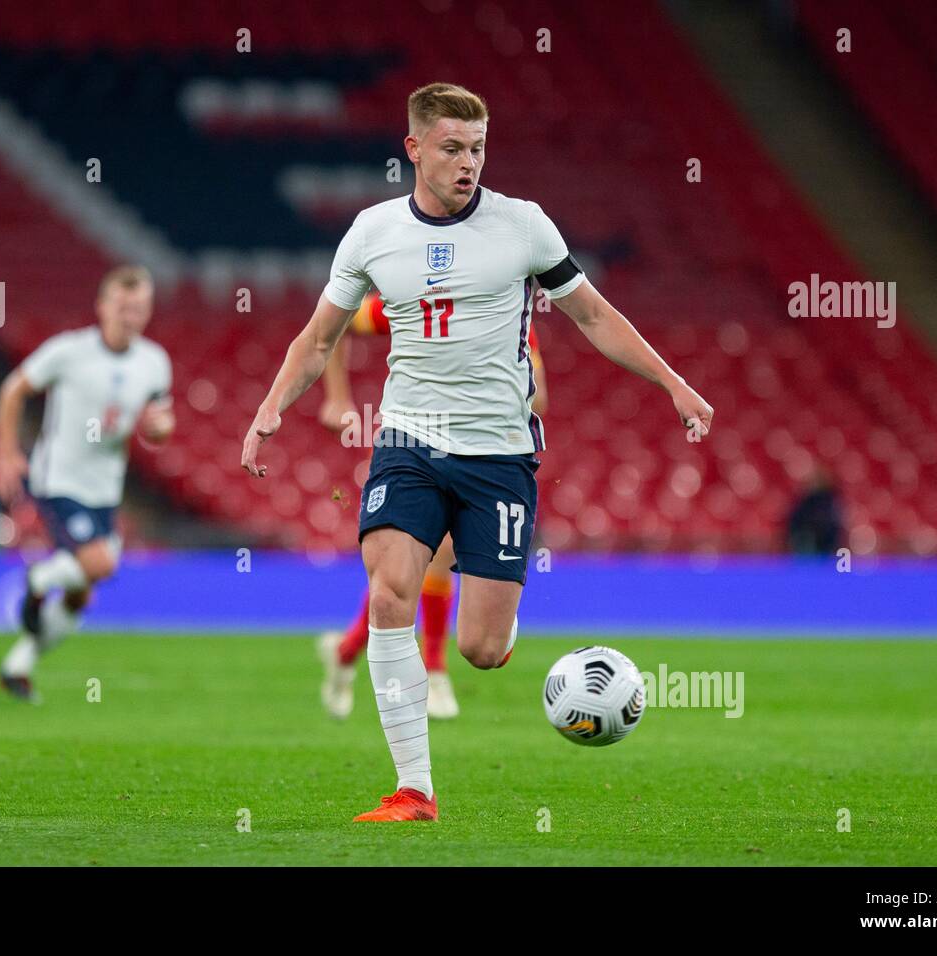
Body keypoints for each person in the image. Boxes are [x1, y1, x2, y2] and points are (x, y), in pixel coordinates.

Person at [241, 84, 713, 821]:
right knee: (391, 586)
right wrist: (272, 407)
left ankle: (497, 609)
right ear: (415, 149)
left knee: (482, 650)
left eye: (479, 148)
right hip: (407, 439)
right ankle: (414, 790)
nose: (469, 163)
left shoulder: (522, 226)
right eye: (454, 148)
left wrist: (673, 384)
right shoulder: (370, 233)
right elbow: (318, 337)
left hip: (498, 455)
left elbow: (592, 314)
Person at [316, 291, 549, 720]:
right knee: (413, 563)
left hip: (476, 454)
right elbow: (340, 321)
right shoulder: (424, 300)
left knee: (410, 569)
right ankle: (436, 671)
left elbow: (540, 398)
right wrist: (337, 398)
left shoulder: (508, 314)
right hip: (412, 447)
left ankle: (347, 650)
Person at [0, 265, 175, 701]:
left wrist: (157, 428)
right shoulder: (69, 351)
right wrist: (6, 453)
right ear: (103, 306)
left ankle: (17, 666)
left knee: (79, 596)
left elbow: (162, 422)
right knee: (102, 564)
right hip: (59, 479)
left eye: (140, 308)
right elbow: (13, 389)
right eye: (124, 306)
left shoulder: (154, 362)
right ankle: (38, 579)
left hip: (104, 488)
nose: (132, 315)